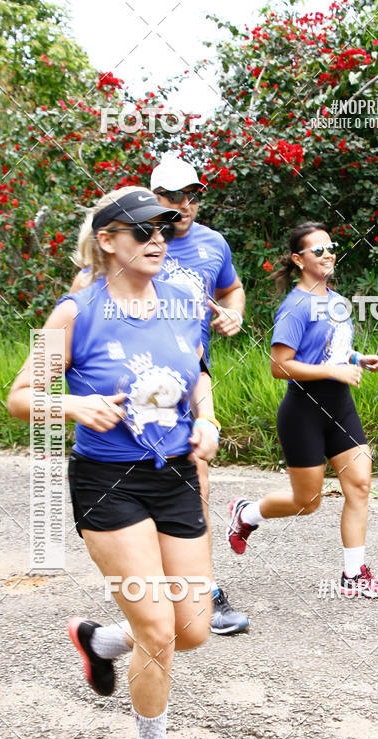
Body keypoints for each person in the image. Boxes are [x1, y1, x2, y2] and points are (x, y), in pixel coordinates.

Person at [8, 186, 219, 739]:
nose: (158, 239)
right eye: (142, 230)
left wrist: (208, 420)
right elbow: (20, 396)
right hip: (108, 480)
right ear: (107, 240)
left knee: (192, 628)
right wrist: (74, 405)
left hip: (176, 473)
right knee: (157, 628)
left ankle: (100, 642)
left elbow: (198, 375)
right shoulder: (77, 312)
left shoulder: (184, 299)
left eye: (165, 229)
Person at [70, 154, 249, 636]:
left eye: (192, 195)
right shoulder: (91, 289)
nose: (183, 205)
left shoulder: (210, 247)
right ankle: (163, 601)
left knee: (196, 478)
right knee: (158, 619)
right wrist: (77, 400)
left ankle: (190, 597)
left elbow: (231, 292)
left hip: (185, 381)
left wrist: (233, 314)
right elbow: (77, 327)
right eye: (171, 197)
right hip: (122, 416)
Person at [227, 221, 378, 599]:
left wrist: (357, 359)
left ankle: (354, 576)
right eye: (317, 250)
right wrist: (334, 371)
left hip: (341, 408)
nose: (327, 254)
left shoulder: (336, 301)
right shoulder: (295, 307)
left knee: (360, 486)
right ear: (299, 260)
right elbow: (279, 366)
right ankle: (247, 514)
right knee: (307, 502)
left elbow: (330, 350)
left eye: (330, 247)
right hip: (304, 412)